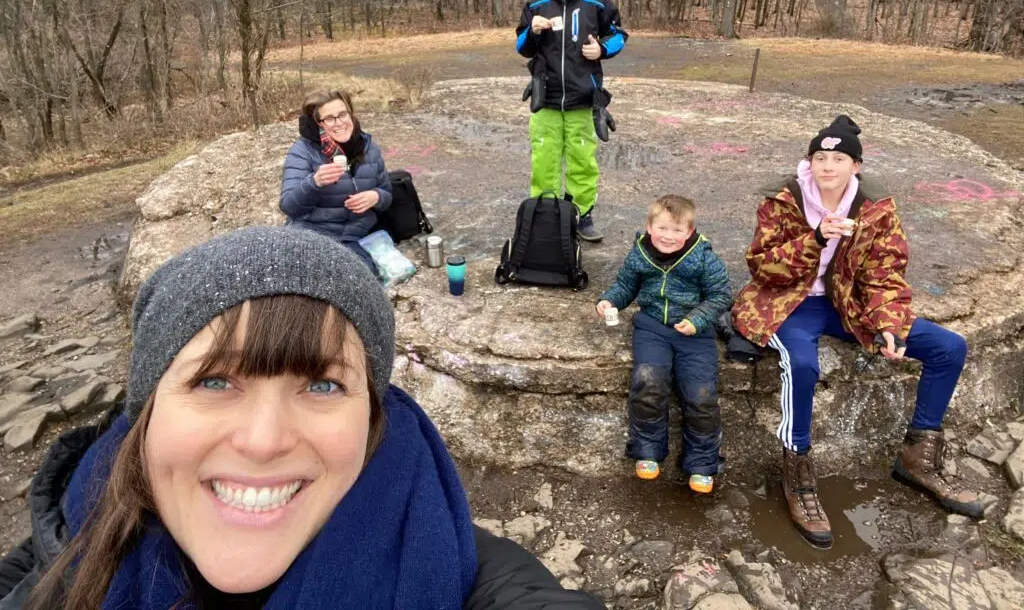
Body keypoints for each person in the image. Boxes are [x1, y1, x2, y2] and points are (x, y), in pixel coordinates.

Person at [0, 227, 606, 609]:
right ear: (147, 408)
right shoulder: (64, 538)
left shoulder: (467, 572)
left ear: (372, 416)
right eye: (215, 381)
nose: (264, 441)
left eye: (322, 384)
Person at [731, 115, 984, 550]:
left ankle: (918, 458)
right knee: (802, 364)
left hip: (848, 304)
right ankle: (797, 472)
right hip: (789, 304)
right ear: (809, 162)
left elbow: (885, 274)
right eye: (820, 158)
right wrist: (814, 238)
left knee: (948, 347)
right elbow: (763, 268)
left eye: (838, 159)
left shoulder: (876, 210)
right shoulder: (782, 202)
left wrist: (888, 325)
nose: (827, 166)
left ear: (856, 165)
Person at [596, 195, 732, 492]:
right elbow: (625, 285)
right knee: (648, 381)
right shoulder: (640, 253)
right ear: (649, 226)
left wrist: (698, 319)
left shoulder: (704, 258)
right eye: (662, 228)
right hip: (652, 328)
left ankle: (702, 462)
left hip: (694, 334)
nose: (668, 236)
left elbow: (721, 295)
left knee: (701, 395)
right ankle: (647, 449)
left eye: (677, 230)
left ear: (690, 231)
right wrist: (609, 300)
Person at [515, 0, 628, 243]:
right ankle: (545, 215)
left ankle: (581, 214)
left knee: (582, 162)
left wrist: (601, 50)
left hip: (583, 100)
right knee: (544, 161)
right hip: (545, 100)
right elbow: (522, 46)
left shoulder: (598, 1)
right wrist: (533, 31)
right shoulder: (536, 3)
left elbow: (619, 35)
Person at [280, 88, 392, 273]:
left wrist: (376, 197)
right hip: (313, 236)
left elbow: (387, 193)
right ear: (318, 124)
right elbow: (289, 207)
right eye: (330, 118)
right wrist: (314, 182)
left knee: (359, 278)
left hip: (355, 238)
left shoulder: (368, 147)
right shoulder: (303, 151)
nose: (339, 123)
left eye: (343, 114)